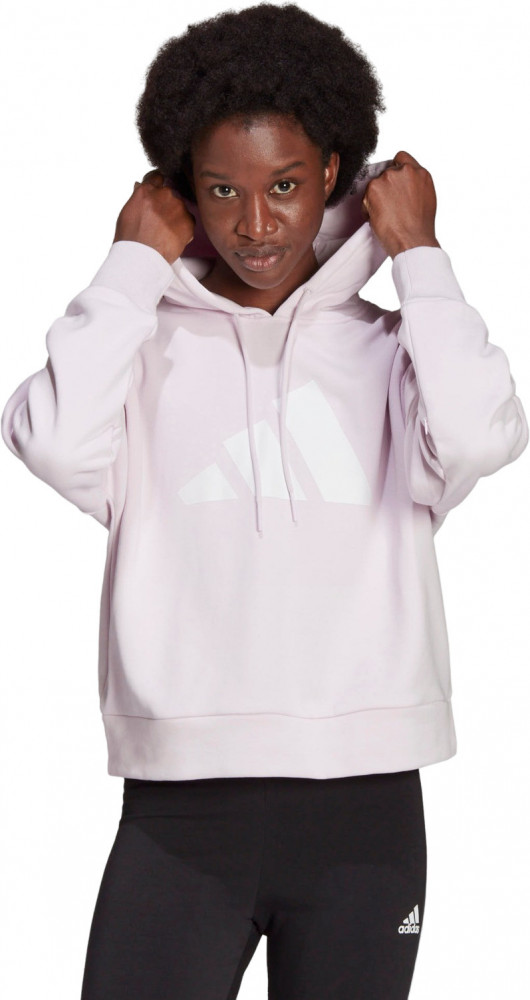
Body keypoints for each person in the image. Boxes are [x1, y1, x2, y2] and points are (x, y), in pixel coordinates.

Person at [1, 4, 528, 998]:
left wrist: (419, 255)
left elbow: (479, 433)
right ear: (182, 193)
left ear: (330, 172)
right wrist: (129, 266)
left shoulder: (393, 350)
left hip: (366, 807)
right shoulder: (140, 352)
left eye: (283, 185)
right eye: (222, 190)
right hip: (179, 810)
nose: (254, 224)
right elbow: (53, 440)